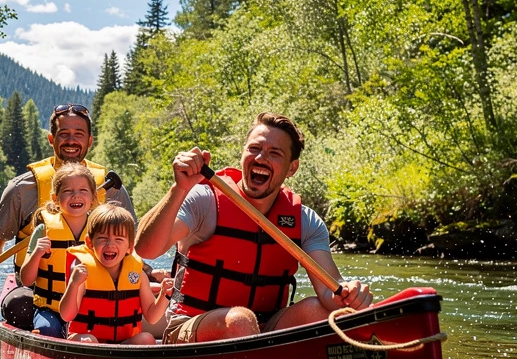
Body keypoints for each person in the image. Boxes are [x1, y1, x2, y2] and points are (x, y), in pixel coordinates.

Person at [134, 111, 372, 344]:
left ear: (292, 168)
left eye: (274, 153)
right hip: (191, 326)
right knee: (239, 321)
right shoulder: (204, 200)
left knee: (321, 313)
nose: (260, 158)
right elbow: (146, 249)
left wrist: (351, 293)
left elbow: (330, 292)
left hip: (266, 331)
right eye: (254, 149)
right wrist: (179, 189)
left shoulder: (306, 222)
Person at [0, 103, 135, 328]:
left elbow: (134, 244)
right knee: (17, 305)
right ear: (51, 139)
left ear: (90, 141)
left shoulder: (110, 188)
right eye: (64, 134)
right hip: (40, 292)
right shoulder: (22, 189)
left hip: (97, 288)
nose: (71, 140)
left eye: (79, 134)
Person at [59, 204, 174, 345]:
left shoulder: (137, 274)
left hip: (122, 344)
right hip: (87, 342)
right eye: (103, 238)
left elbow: (152, 317)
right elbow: (67, 315)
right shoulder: (82, 270)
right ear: (89, 242)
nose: (110, 245)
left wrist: (164, 295)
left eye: (119, 239)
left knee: (146, 339)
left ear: (130, 247)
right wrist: (74, 284)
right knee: (90, 341)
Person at [19, 163, 98, 338]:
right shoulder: (43, 231)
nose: (76, 196)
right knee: (49, 331)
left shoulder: (100, 231)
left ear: (93, 198)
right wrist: (37, 255)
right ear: (55, 198)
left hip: (89, 308)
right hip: (50, 309)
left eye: (83, 190)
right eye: (68, 191)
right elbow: (26, 279)